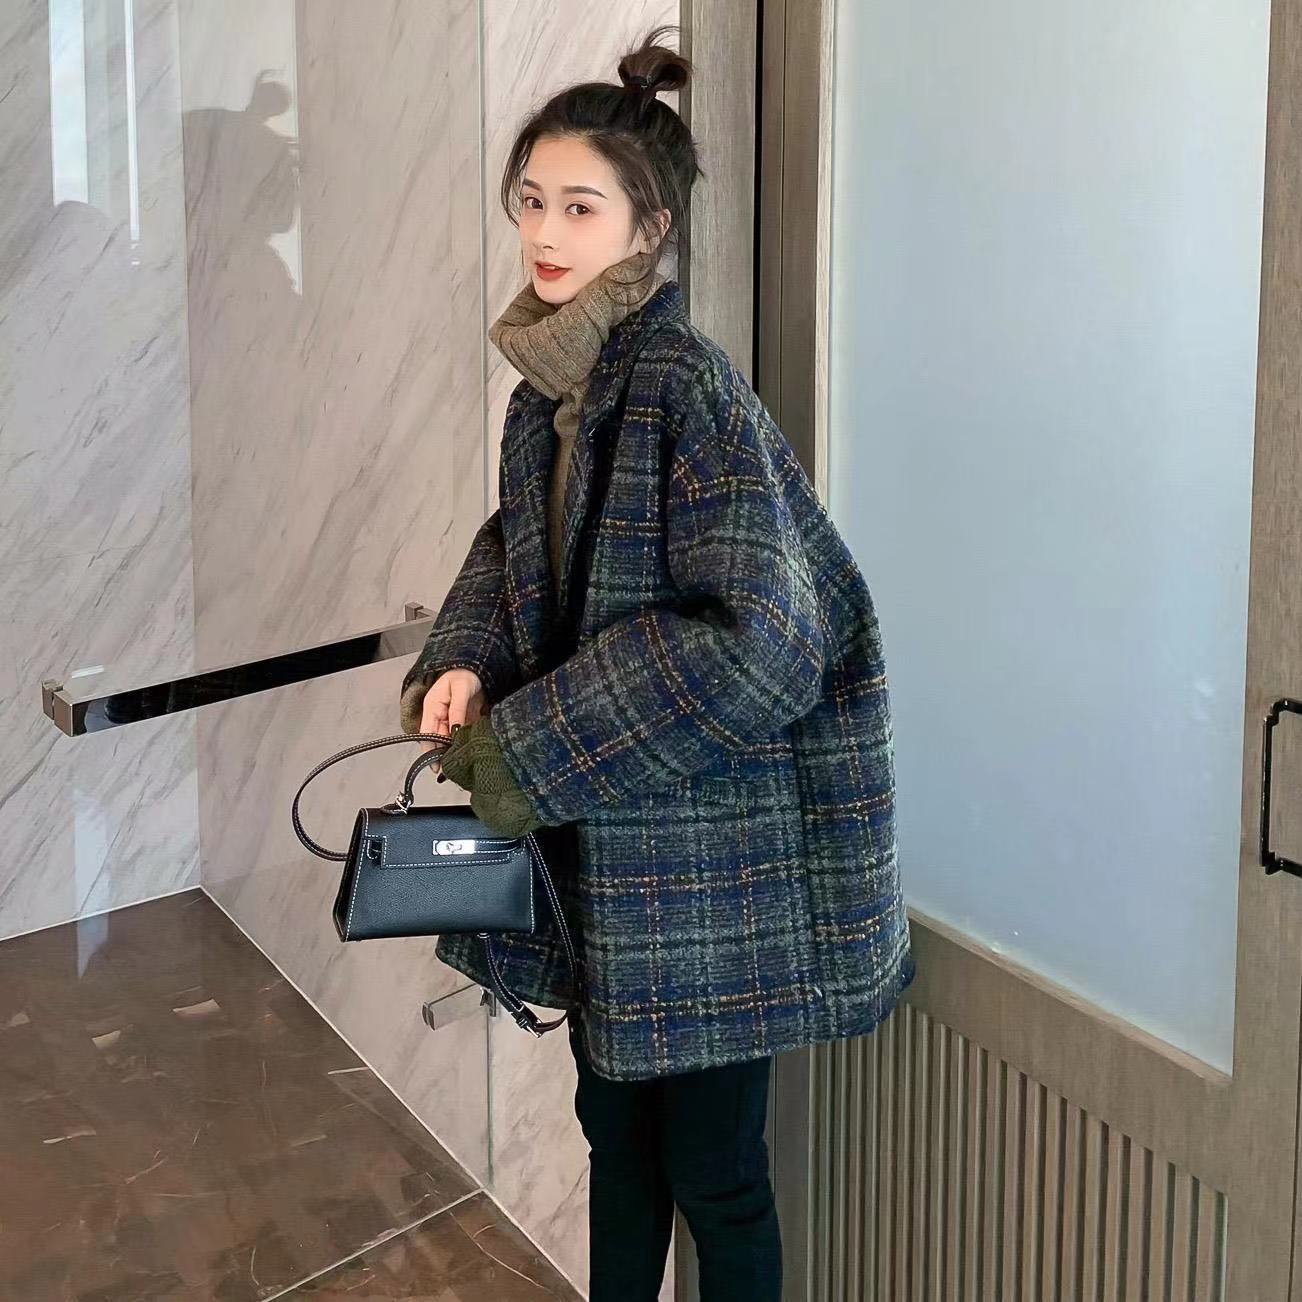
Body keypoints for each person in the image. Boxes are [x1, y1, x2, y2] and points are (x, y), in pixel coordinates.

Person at [398, 24, 914, 1302]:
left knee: (717, 1176)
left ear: (650, 228)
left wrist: (522, 749)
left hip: (712, 876)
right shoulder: (551, 390)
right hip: (609, 855)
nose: (544, 233)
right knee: (617, 1150)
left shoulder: (688, 387)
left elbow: (761, 645)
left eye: (580, 207)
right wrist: (464, 659)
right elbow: (512, 546)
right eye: (531, 201)